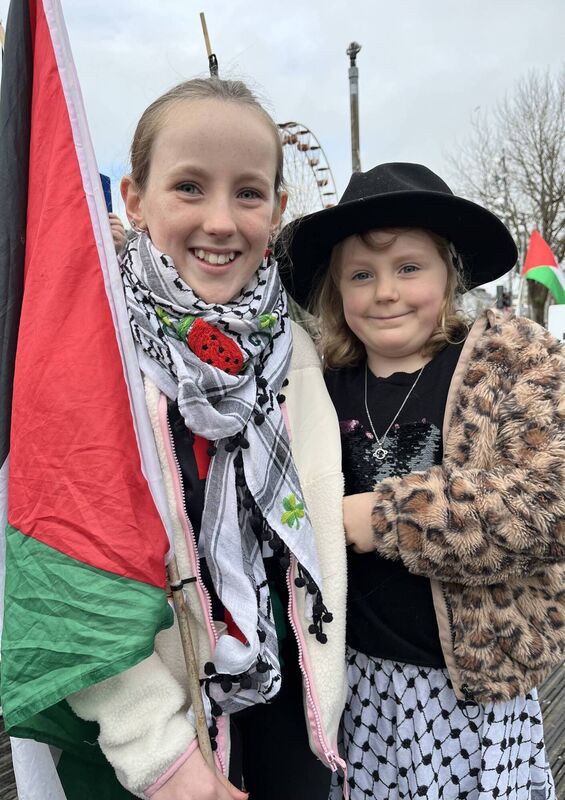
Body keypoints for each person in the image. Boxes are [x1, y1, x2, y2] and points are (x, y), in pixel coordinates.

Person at [66, 78, 347, 799]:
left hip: (291, 696)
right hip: (156, 738)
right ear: (133, 198)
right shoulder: (91, 358)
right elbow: (69, 578)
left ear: (279, 209)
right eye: (189, 187)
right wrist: (161, 759)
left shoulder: (298, 351)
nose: (220, 221)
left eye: (248, 193)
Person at [277, 162, 564, 800]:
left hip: (476, 695)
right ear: (335, 291)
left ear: (448, 273)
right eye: (361, 275)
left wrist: (381, 520)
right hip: (359, 682)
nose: (386, 292)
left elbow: (549, 507)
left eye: (409, 268)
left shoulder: (512, 360)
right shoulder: (317, 386)